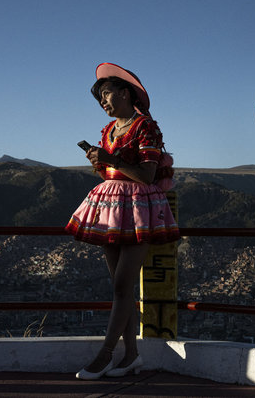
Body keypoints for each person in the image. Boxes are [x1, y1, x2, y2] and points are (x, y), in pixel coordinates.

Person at [66, 62, 180, 380]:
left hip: (140, 208)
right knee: (122, 287)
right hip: (114, 207)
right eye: (100, 98)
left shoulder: (146, 128)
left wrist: (111, 159)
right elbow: (111, 171)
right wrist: (101, 162)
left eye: (106, 94)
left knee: (120, 285)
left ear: (125, 92)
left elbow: (147, 174)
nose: (103, 102)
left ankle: (105, 355)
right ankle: (130, 355)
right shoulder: (109, 131)